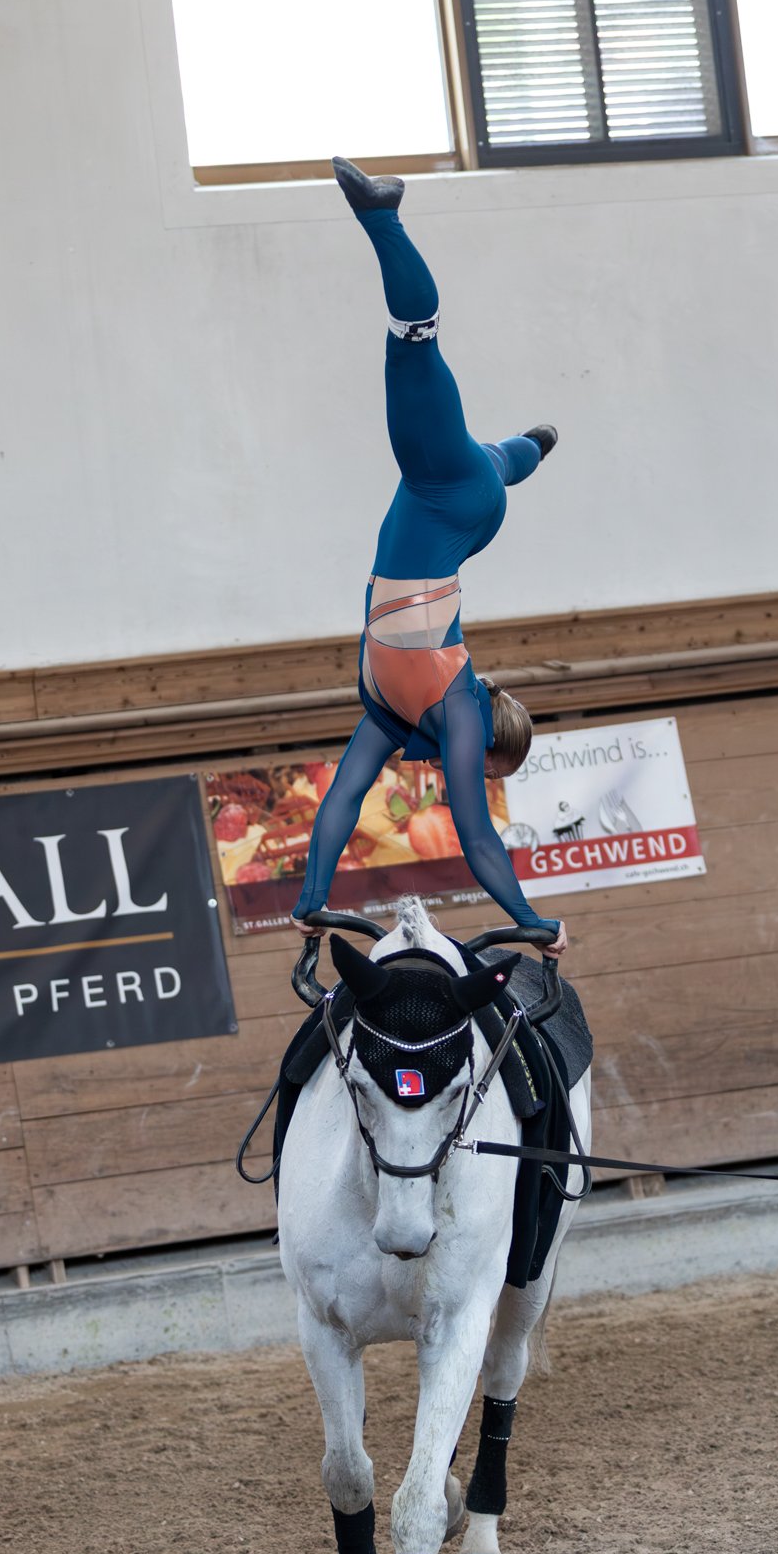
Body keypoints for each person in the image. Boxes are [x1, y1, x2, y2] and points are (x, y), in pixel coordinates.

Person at [290, 157, 568, 956]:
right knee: (413, 349)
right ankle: (383, 214)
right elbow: (476, 835)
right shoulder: (460, 709)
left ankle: (532, 447)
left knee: (492, 459)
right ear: (489, 745)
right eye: (485, 769)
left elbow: (344, 799)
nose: (469, 774)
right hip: (448, 496)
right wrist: (534, 922)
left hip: (455, 510)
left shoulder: (389, 709)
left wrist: (311, 901)